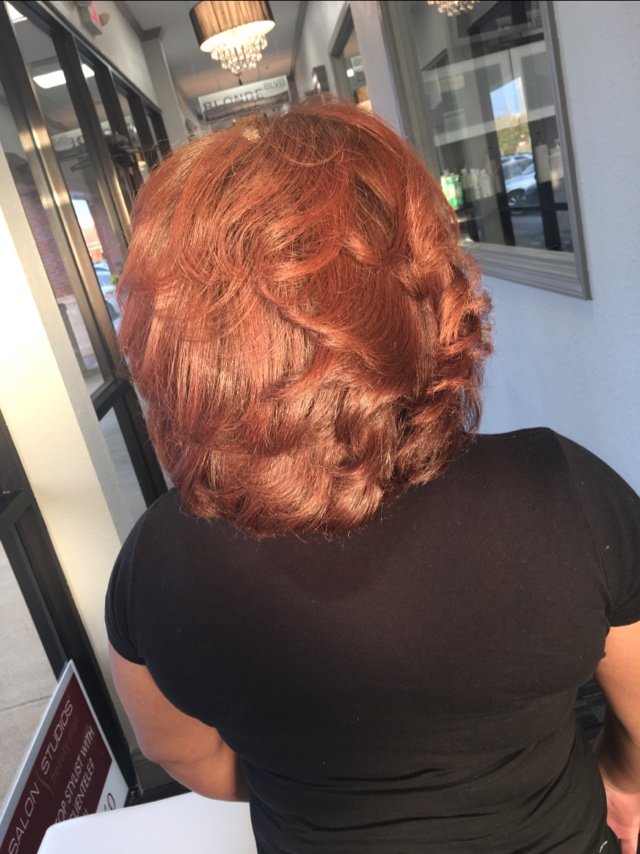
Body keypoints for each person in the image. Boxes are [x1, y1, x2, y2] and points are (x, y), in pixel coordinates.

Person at [105, 98, 640, 853]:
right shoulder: (564, 493)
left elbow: (181, 753)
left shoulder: (157, 561)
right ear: (424, 279)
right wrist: (620, 778)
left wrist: (309, 790)